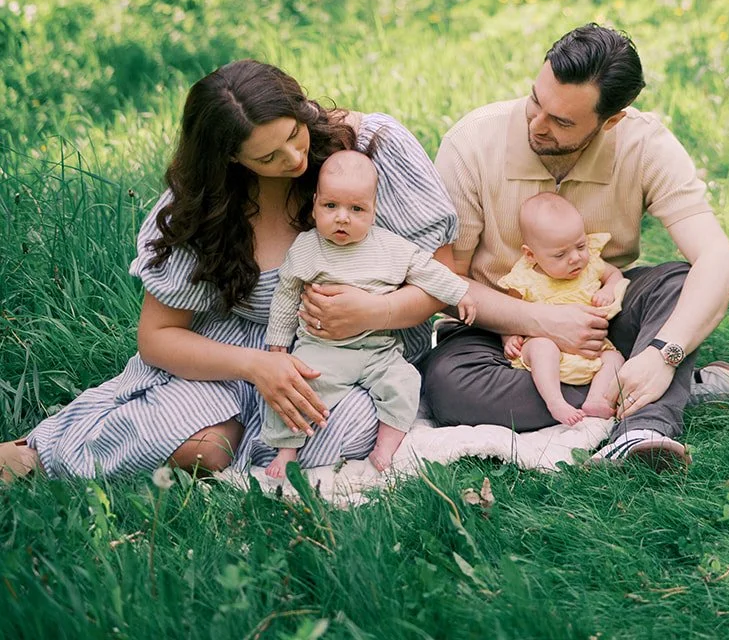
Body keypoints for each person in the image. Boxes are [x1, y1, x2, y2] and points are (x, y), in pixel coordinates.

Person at [0, 60, 460, 482]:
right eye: (268, 158)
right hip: (237, 351)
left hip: (359, 354)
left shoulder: (369, 152)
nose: (295, 160)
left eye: (294, 134)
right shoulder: (207, 207)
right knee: (201, 450)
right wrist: (258, 365)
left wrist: (373, 313)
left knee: (336, 433)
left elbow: (442, 279)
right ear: (231, 159)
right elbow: (158, 335)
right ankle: (40, 453)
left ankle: (261, 442)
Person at [424, 22, 729, 470]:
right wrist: (539, 321)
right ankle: (672, 388)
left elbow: (718, 261)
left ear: (612, 120)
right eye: (536, 101)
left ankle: (644, 426)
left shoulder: (645, 144)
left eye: (561, 121)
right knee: (447, 385)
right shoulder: (471, 145)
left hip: (603, 321)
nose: (536, 125)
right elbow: (445, 282)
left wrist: (663, 353)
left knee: (678, 282)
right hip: (501, 331)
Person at [262, 149, 475, 476]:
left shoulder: (390, 247)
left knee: (405, 382)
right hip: (322, 349)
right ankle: (285, 451)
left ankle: (386, 447)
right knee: (295, 388)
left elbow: (426, 270)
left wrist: (459, 293)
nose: (342, 217)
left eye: (356, 208)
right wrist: (278, 340)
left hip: (378, 349)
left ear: (374, 211)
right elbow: (286, 292)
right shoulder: (307, 247)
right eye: (330, 206)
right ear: (315, 203)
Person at [497, 190, 625, 427]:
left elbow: (615, 274)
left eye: (580, 245)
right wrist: (509, 338)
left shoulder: (591, 265)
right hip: (545, 346)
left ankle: (597, 398)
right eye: (560, 254)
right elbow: (509, 313)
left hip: (589, 349)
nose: (575, 258)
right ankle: (555, 401)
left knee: (614, 358)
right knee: (543, 347)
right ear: (531, 254)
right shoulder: (525, 278)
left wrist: (608, 289)